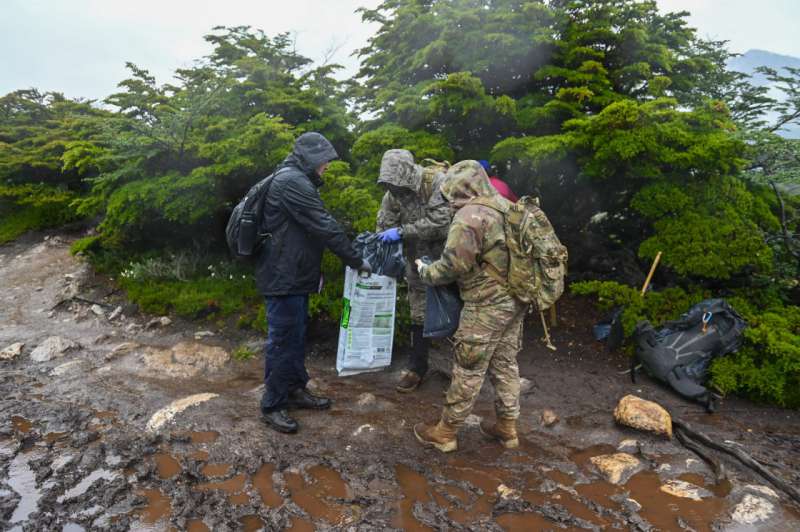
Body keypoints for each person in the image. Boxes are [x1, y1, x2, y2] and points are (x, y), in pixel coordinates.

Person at [256, 132, 372, 434]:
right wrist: (356, 260)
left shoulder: (295, 178)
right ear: (310, 158)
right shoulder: (292, 181)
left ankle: (294, 389)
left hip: (293, 274)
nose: (328, 166)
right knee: (282, 339)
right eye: (325, 160)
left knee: (295, 335)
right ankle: (273, 404)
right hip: (283, 276)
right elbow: (324, 225)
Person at [413, 160, 527, 453]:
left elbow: (453, 266)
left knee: (468, 367)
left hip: (485, 304)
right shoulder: (505, 206)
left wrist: (425, 271)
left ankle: (445, 432)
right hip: (515, 298)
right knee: (505, 364)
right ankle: (507, 427)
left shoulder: (470, 216)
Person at [375, 149, 451, 393]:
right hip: (415, 261)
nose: (394, 189)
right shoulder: (392, 194)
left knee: (457, 308)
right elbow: (384, 223)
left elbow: (443, 222)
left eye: (397, 184)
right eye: (390, 184)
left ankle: (463, 370)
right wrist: (382, 240)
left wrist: (403, 232)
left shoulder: (436, 183)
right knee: (418, 312)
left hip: (449, 260)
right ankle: (417, 367)